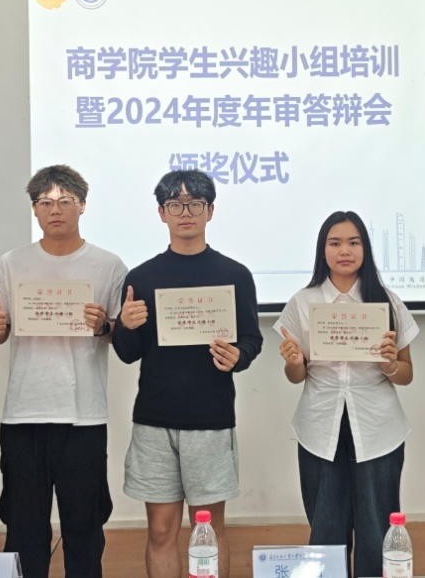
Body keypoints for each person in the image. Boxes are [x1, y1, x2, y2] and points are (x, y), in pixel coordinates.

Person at [112, 169, 262, 578]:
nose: (185, 212)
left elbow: (251, 339)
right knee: (160, 530)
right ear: (162, 213)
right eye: (175, 205)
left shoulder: (234, 275)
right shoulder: (141, 277)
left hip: (209, 418)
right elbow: (127, 353)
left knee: (207, 530)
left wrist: (239, 355)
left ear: (210, 211)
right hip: (154, 420)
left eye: (195, 203)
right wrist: (124, 324)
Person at [0, 165, 127, 578]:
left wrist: (102, 326)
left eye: (65, 200)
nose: (55, 209)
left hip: (84, 416)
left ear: (83, 205)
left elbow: (120, 335)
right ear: (34, 209)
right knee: (24, 528)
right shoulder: (12, 263)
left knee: (85, 528)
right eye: (45, 202)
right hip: (23, 414)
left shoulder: (108, 265)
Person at [274, 210, 417, 578]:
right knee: (326, 526)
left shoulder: (386, 301)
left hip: (378, 427)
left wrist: (389, 364)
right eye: (335, 243)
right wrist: (294, 362)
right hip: (319, 426)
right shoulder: (302, 302)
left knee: (376, 527)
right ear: (323, 250)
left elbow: (406, 374)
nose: (344, 251)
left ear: (365, 249)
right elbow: (295, 376)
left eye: (354, 242)